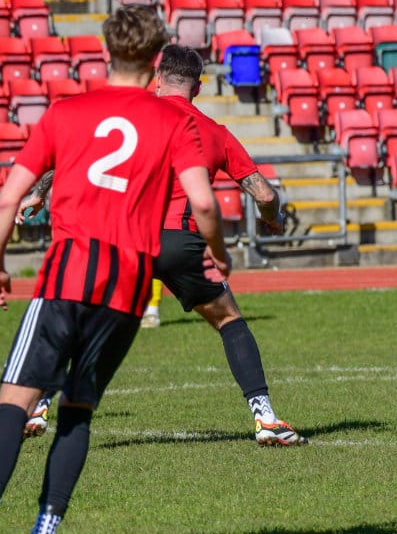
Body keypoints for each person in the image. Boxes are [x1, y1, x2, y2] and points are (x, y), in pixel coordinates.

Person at [0, 5, 229, 534]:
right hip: (128, 289)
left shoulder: (66, 112)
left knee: (15, 401)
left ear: (106, 52)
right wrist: (220, 251)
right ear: (154, 61)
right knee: (78, 410)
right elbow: (203, 203)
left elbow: (8, 199)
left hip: (68, 275)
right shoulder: (173, 122)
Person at [20, 44, 306, 447]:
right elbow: (263, 193)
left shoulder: (130, 117)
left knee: (83, 321)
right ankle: (266, 418)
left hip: (123, 237)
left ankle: (39, 404)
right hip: (179, 242)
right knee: (229, 320)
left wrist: (39, 193)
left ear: (157, 79)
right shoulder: (214, 132)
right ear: (198, 87)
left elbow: (75, 153)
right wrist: (271, 217)